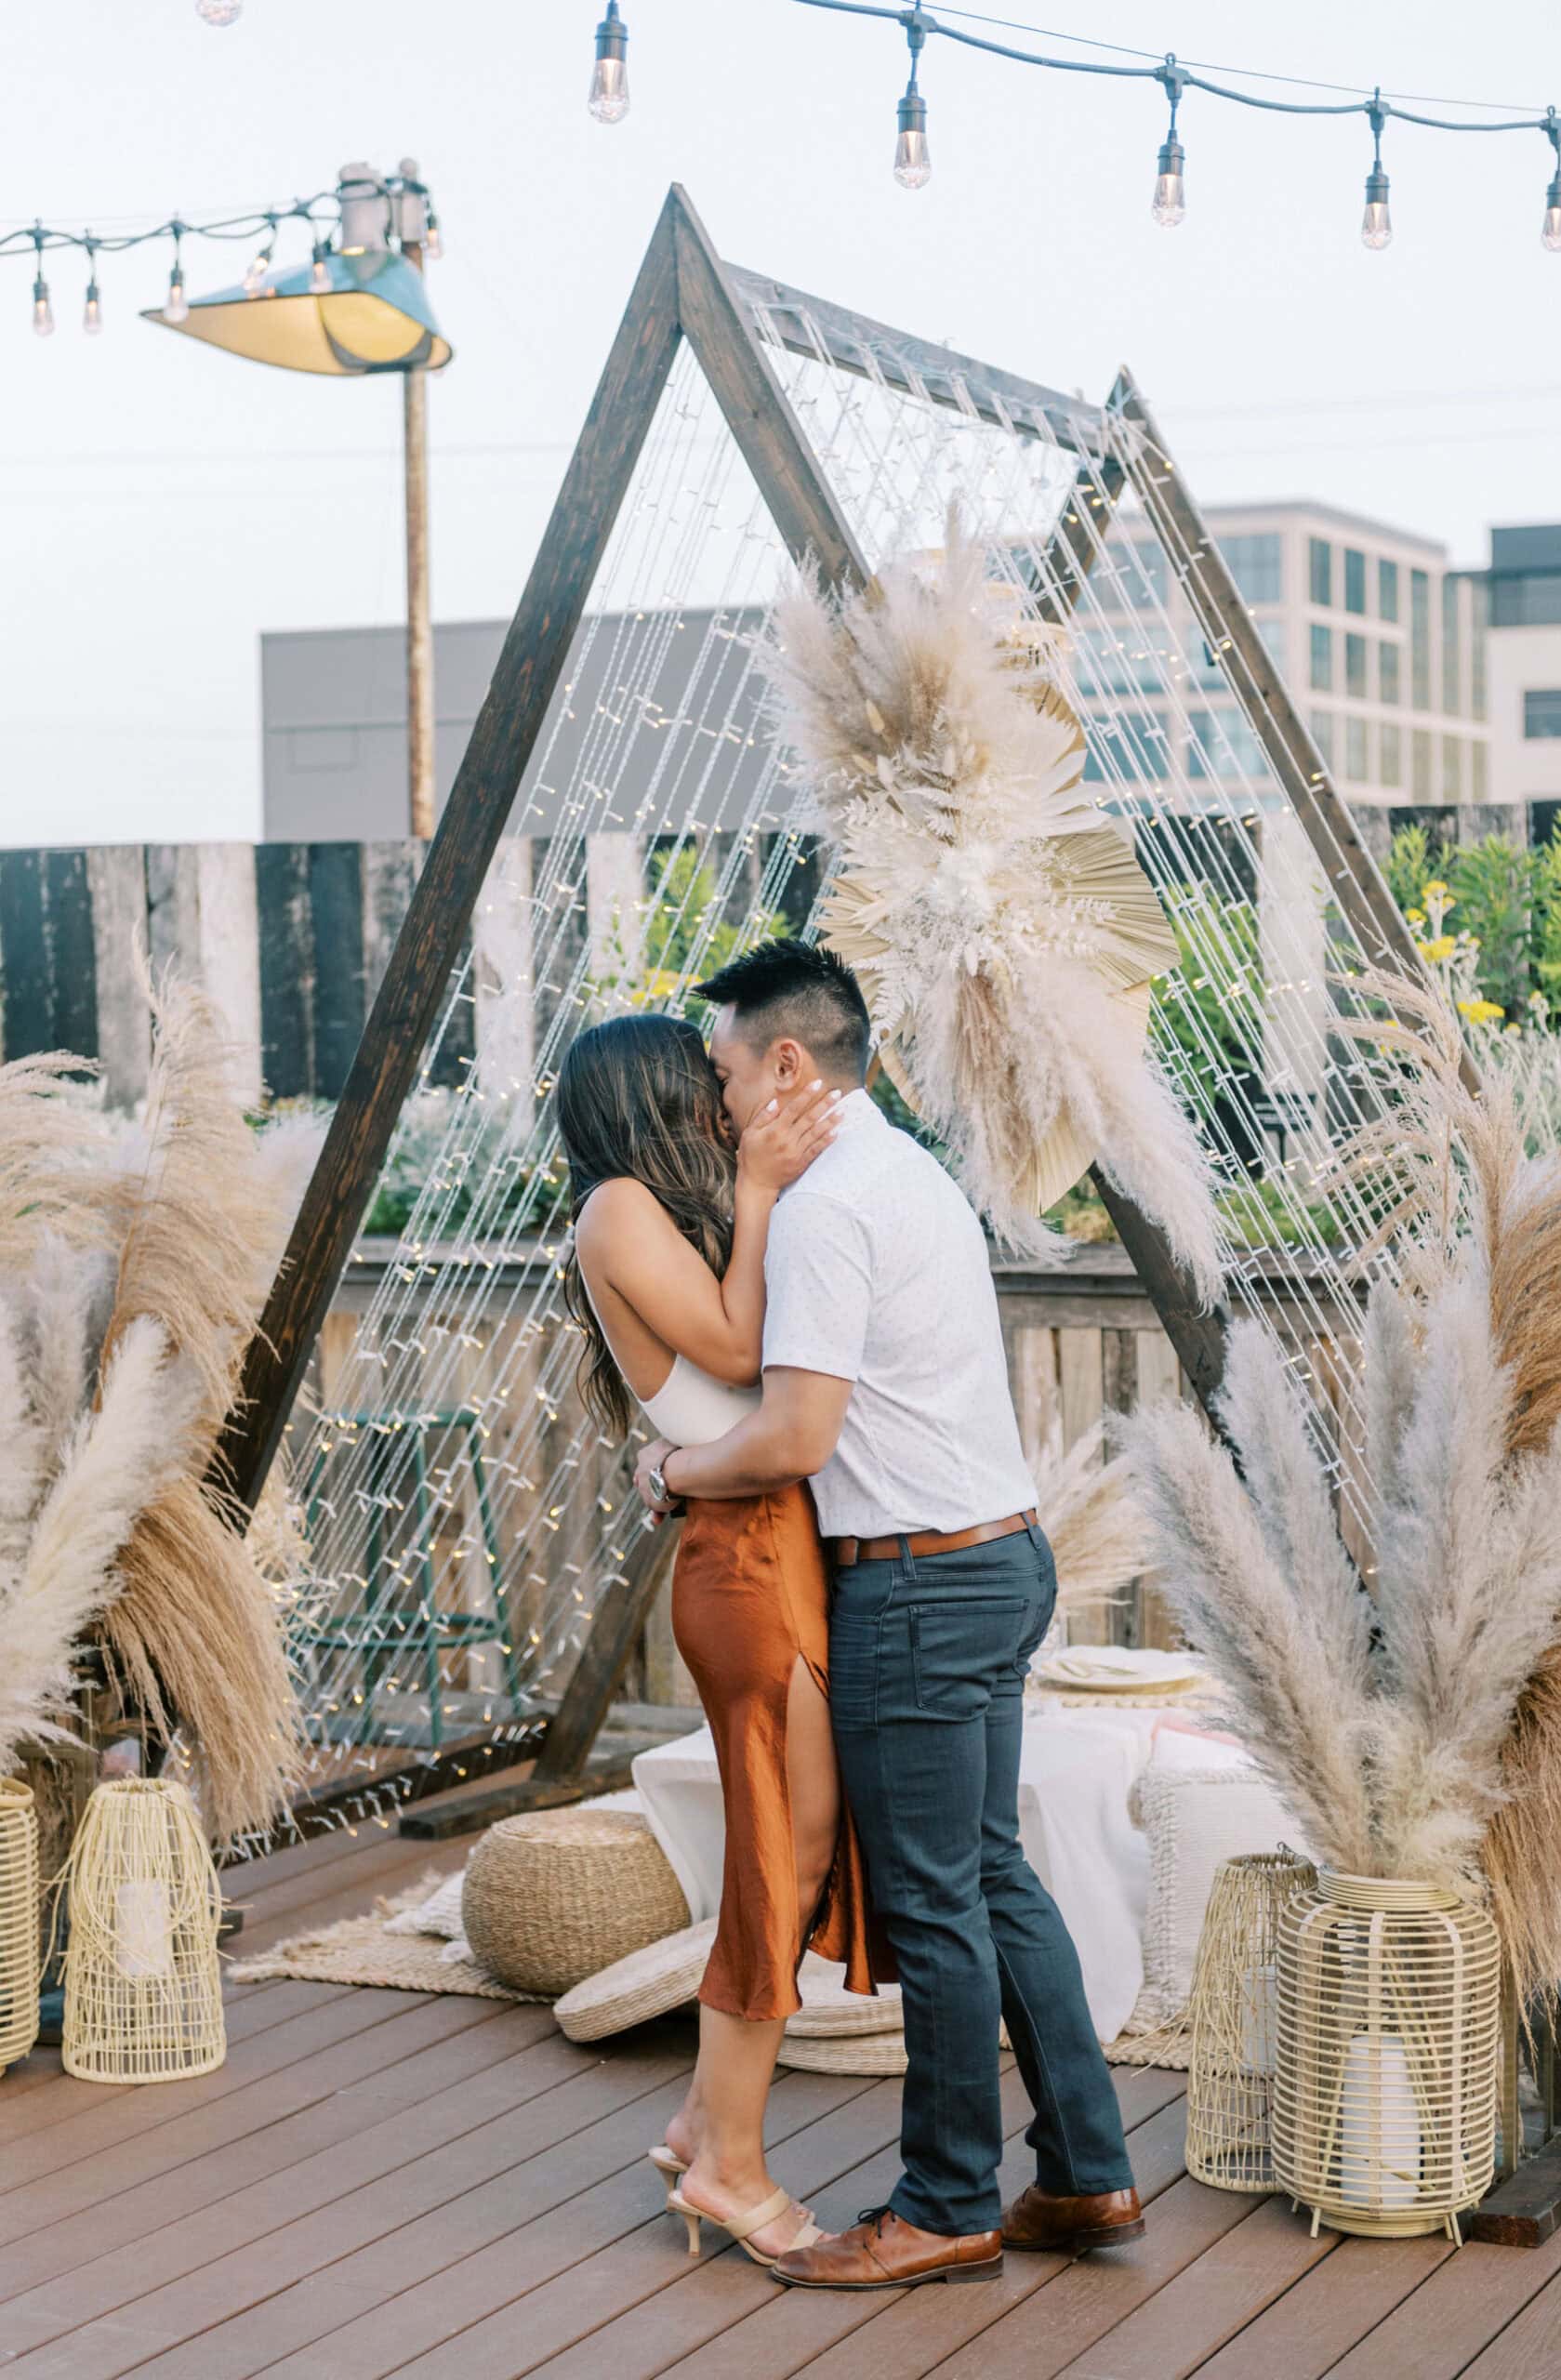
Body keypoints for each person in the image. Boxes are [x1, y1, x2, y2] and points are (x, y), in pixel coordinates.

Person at [638, 940, 1144, 2293]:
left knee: (932, 1902)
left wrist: (673, 1471)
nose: (718, 1099)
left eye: (727, 1070)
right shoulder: (902, 1170)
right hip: (997, 1556)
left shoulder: (822, 1206)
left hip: (914, 1585)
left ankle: (944, 2206)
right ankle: (1089, 2176)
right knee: (989, 1877)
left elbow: (794, 1435)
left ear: (786, 1062)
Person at [556, 1012, 882, 2269]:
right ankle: (733, 2170)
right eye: (704, 1083)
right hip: (745, 1559)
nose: (726, 1097)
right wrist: (753, 1186)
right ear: (650, 1096)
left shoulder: (662, 1212)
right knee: (779, 1861)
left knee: (794, 1851)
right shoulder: (617, 1207)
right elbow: (744, 1352)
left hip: (768, 1541)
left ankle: (703, 2120)